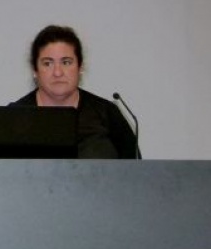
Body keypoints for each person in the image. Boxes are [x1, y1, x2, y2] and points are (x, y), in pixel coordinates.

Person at [9, 24, 138, 159]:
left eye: (66, 62)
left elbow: (138, 174)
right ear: (35, 70)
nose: (58, 72)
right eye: (48, 63)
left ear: (80, 67)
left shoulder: (107, 113)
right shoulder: (14, 116)